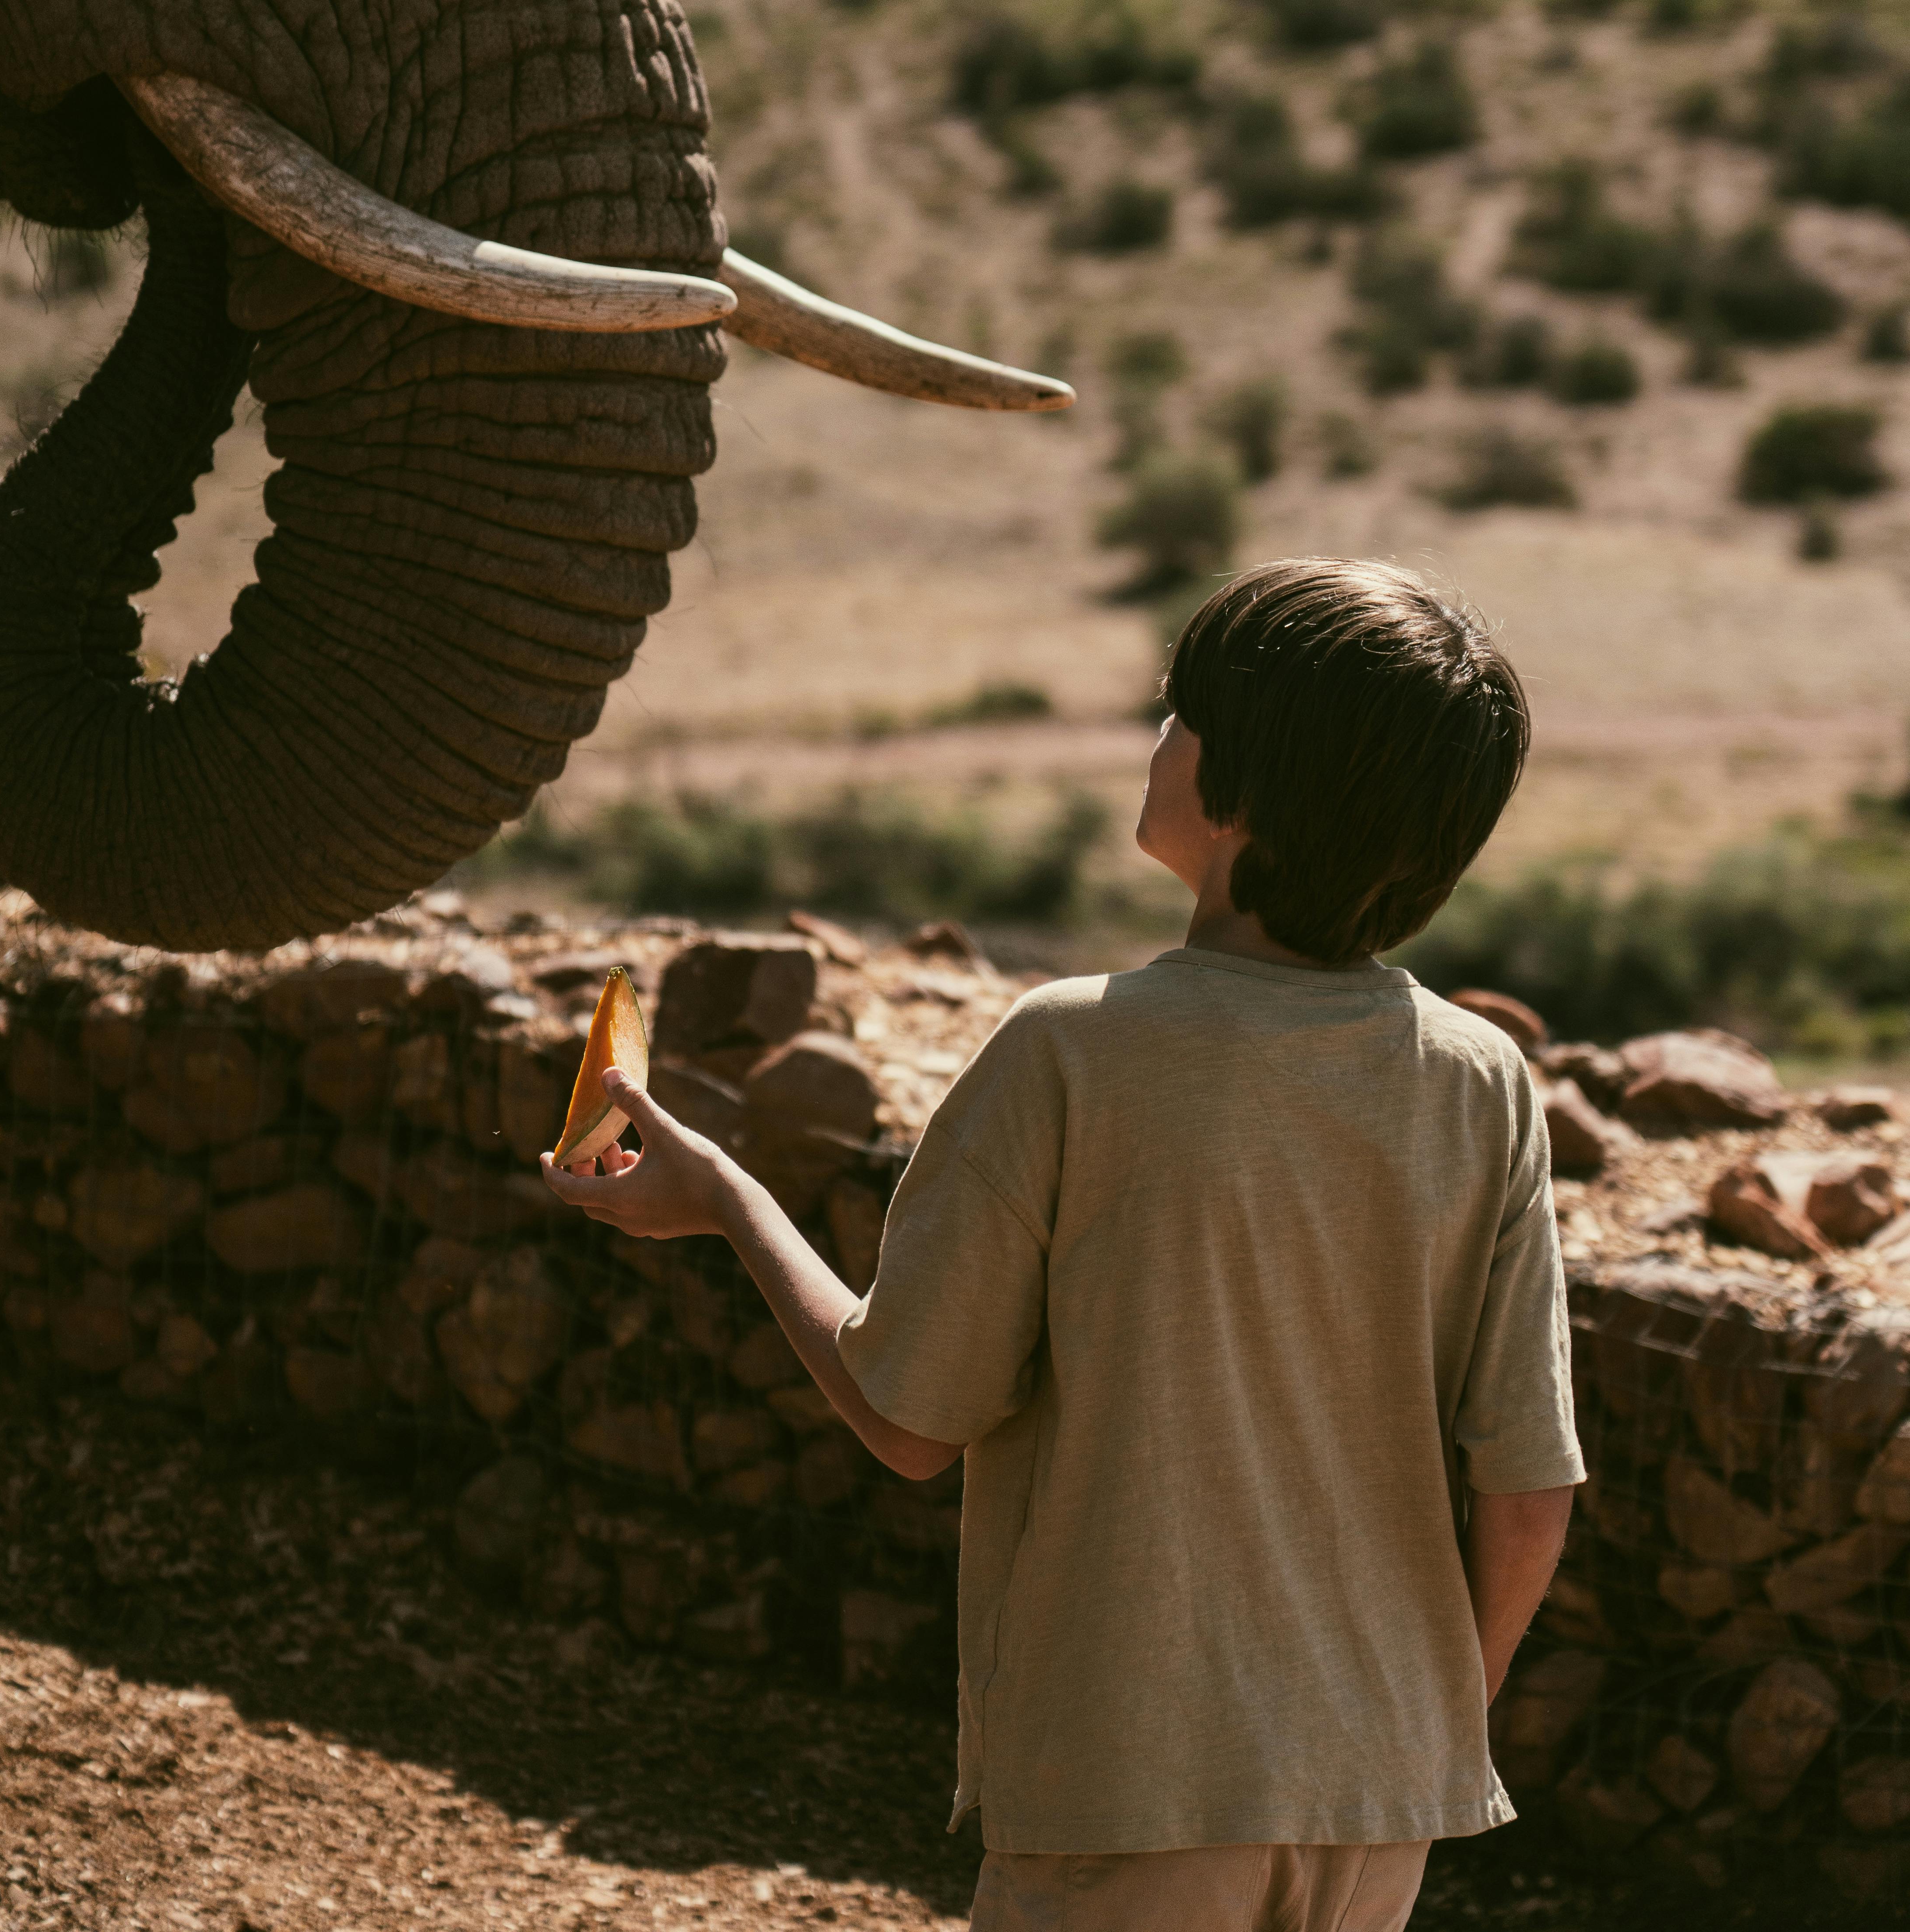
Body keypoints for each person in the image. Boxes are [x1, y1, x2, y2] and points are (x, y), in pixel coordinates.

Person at [543, 557, 1583, 1932]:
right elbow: (1526, 1496)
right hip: (1382, 1799)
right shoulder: (1483, 1083)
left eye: (1184, 712)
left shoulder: (1073, 1052)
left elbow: (910, 1418)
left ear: (1243, 794)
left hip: (1130, 1785)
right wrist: (1423, 1725)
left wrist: (726, 1197)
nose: (1158, 738)